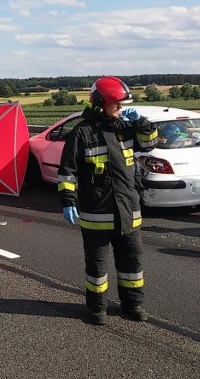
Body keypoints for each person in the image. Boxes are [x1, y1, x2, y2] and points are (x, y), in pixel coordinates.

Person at [58, 76, 158, 325]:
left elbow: (151, 143)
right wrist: (68, 200)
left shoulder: (125, 128)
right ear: (101, 103)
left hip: (128, 211)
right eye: (117, 104)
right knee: (97, 267)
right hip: (96, 213)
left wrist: (142, 123)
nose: (120, 108)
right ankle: (96, 309)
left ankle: (133, 305)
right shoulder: (82, 133)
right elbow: (67, 172)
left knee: (132, 265)